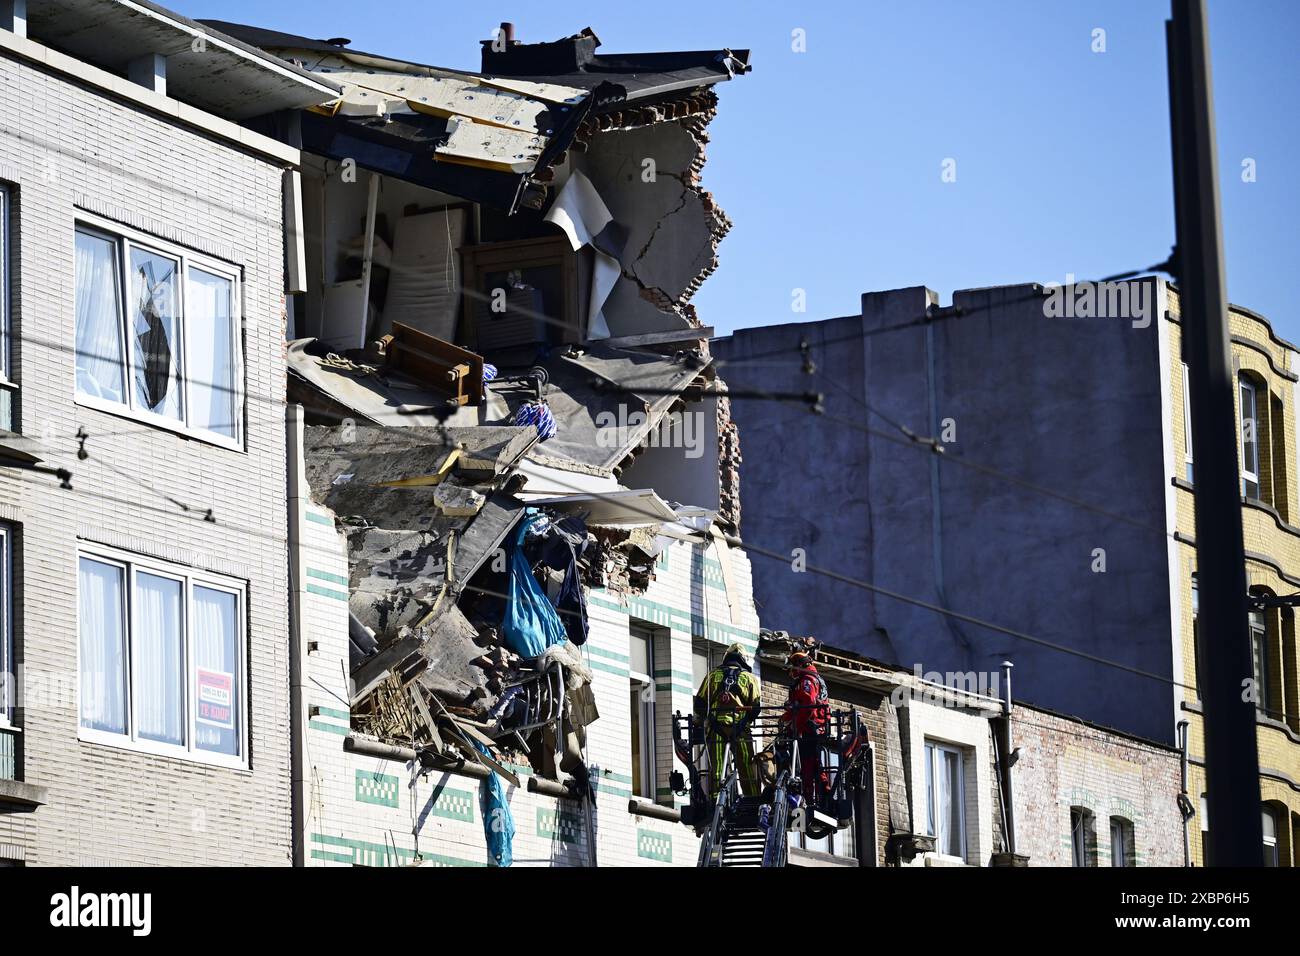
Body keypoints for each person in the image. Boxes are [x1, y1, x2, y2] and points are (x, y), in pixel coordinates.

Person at [694, 642, 761, 797]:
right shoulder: (749, 678)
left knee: (717, 769)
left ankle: (716, 801)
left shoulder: (712, 675)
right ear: (743, 659)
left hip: (716, 730)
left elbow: (699, 705)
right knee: (747, 766)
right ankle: (753, 800)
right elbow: (756, 709)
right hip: (741, 730)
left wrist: (708, 718)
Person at [783, 648, 830, 807]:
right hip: (815, 727)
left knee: (808, 764)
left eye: (792, 668)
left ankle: (809, 799)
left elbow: (807, 706)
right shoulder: (814, 679)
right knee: (816, 764)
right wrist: (786, 718)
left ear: (799, 666)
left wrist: (795, 725)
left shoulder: (806, 681)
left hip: (810, 728)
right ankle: (824, 796)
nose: (791, 673)